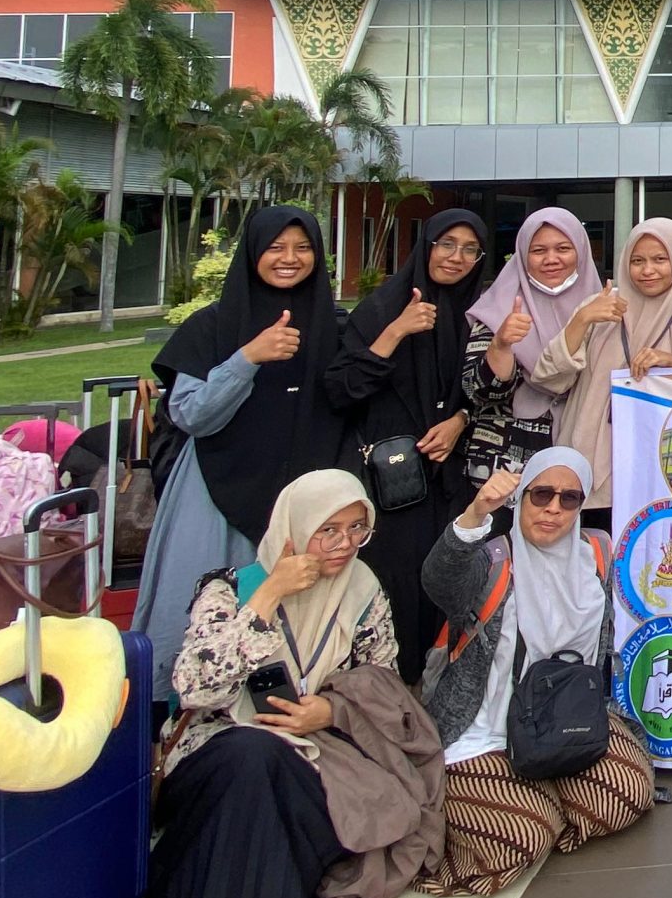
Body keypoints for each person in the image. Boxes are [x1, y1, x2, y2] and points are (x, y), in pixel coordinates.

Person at [150, 469, 441, 898]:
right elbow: (197, 689)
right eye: (327, 529)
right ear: (295, 528)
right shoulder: (231, 589)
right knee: (251, 754)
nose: (343, 543)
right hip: (218, 749)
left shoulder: (362, 592)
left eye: (356, 528)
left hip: (315, 748)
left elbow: (383, 687)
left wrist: (330, 711)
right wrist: (269, 595)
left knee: (291, 771)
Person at [135, 206, 355, 701]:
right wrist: (247, 358)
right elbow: (190, 414)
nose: (290, 258)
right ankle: (177, 723)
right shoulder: (211, 327)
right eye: (276, 247)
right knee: (202, 611)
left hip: (301, 503)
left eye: (303, 248)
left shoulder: (334, 327)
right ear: (253, 253)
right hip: (216, 493)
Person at [418, 449, 655, 896]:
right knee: (521, 840)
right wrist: (475, 513)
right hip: (486, 730)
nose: (553, 509)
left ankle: (538, 792)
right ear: (521, 498)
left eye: (569, 499)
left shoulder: (596, 555)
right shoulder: (491, 562)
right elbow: (440, 580)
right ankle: (530, 802)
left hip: (563, 720)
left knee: (627, 794)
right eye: (541, 494)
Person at [325, 209, 495, 685]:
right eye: (446, 244)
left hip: (453, 479)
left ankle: (450, 698)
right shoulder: (383, 308)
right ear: (426, 246)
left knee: (453, 584)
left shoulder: (480, 315)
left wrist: (459, 421)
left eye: (469, 249)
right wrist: (397, 331)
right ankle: (389, 696)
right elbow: (342, 390)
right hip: (395, 484)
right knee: (398, 588)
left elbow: (490, 391)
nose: (456, 257)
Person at [527, 219, 672, 533]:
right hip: (589, 464)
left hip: (657, 471)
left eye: (659, 260)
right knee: (591, 555)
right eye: (638, 261)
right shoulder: (600, 309)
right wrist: (582, 320)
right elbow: (549, 378)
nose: (648, 270)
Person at [463, 208, 603, 488]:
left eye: (563, 248)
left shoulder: (601, 309)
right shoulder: (499, 308)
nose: (551, 259)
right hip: (504, 463)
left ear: (581, 251)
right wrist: (501, 345)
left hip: (583, 456)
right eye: (538, 250)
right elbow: (477, 392)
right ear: (522, 254)